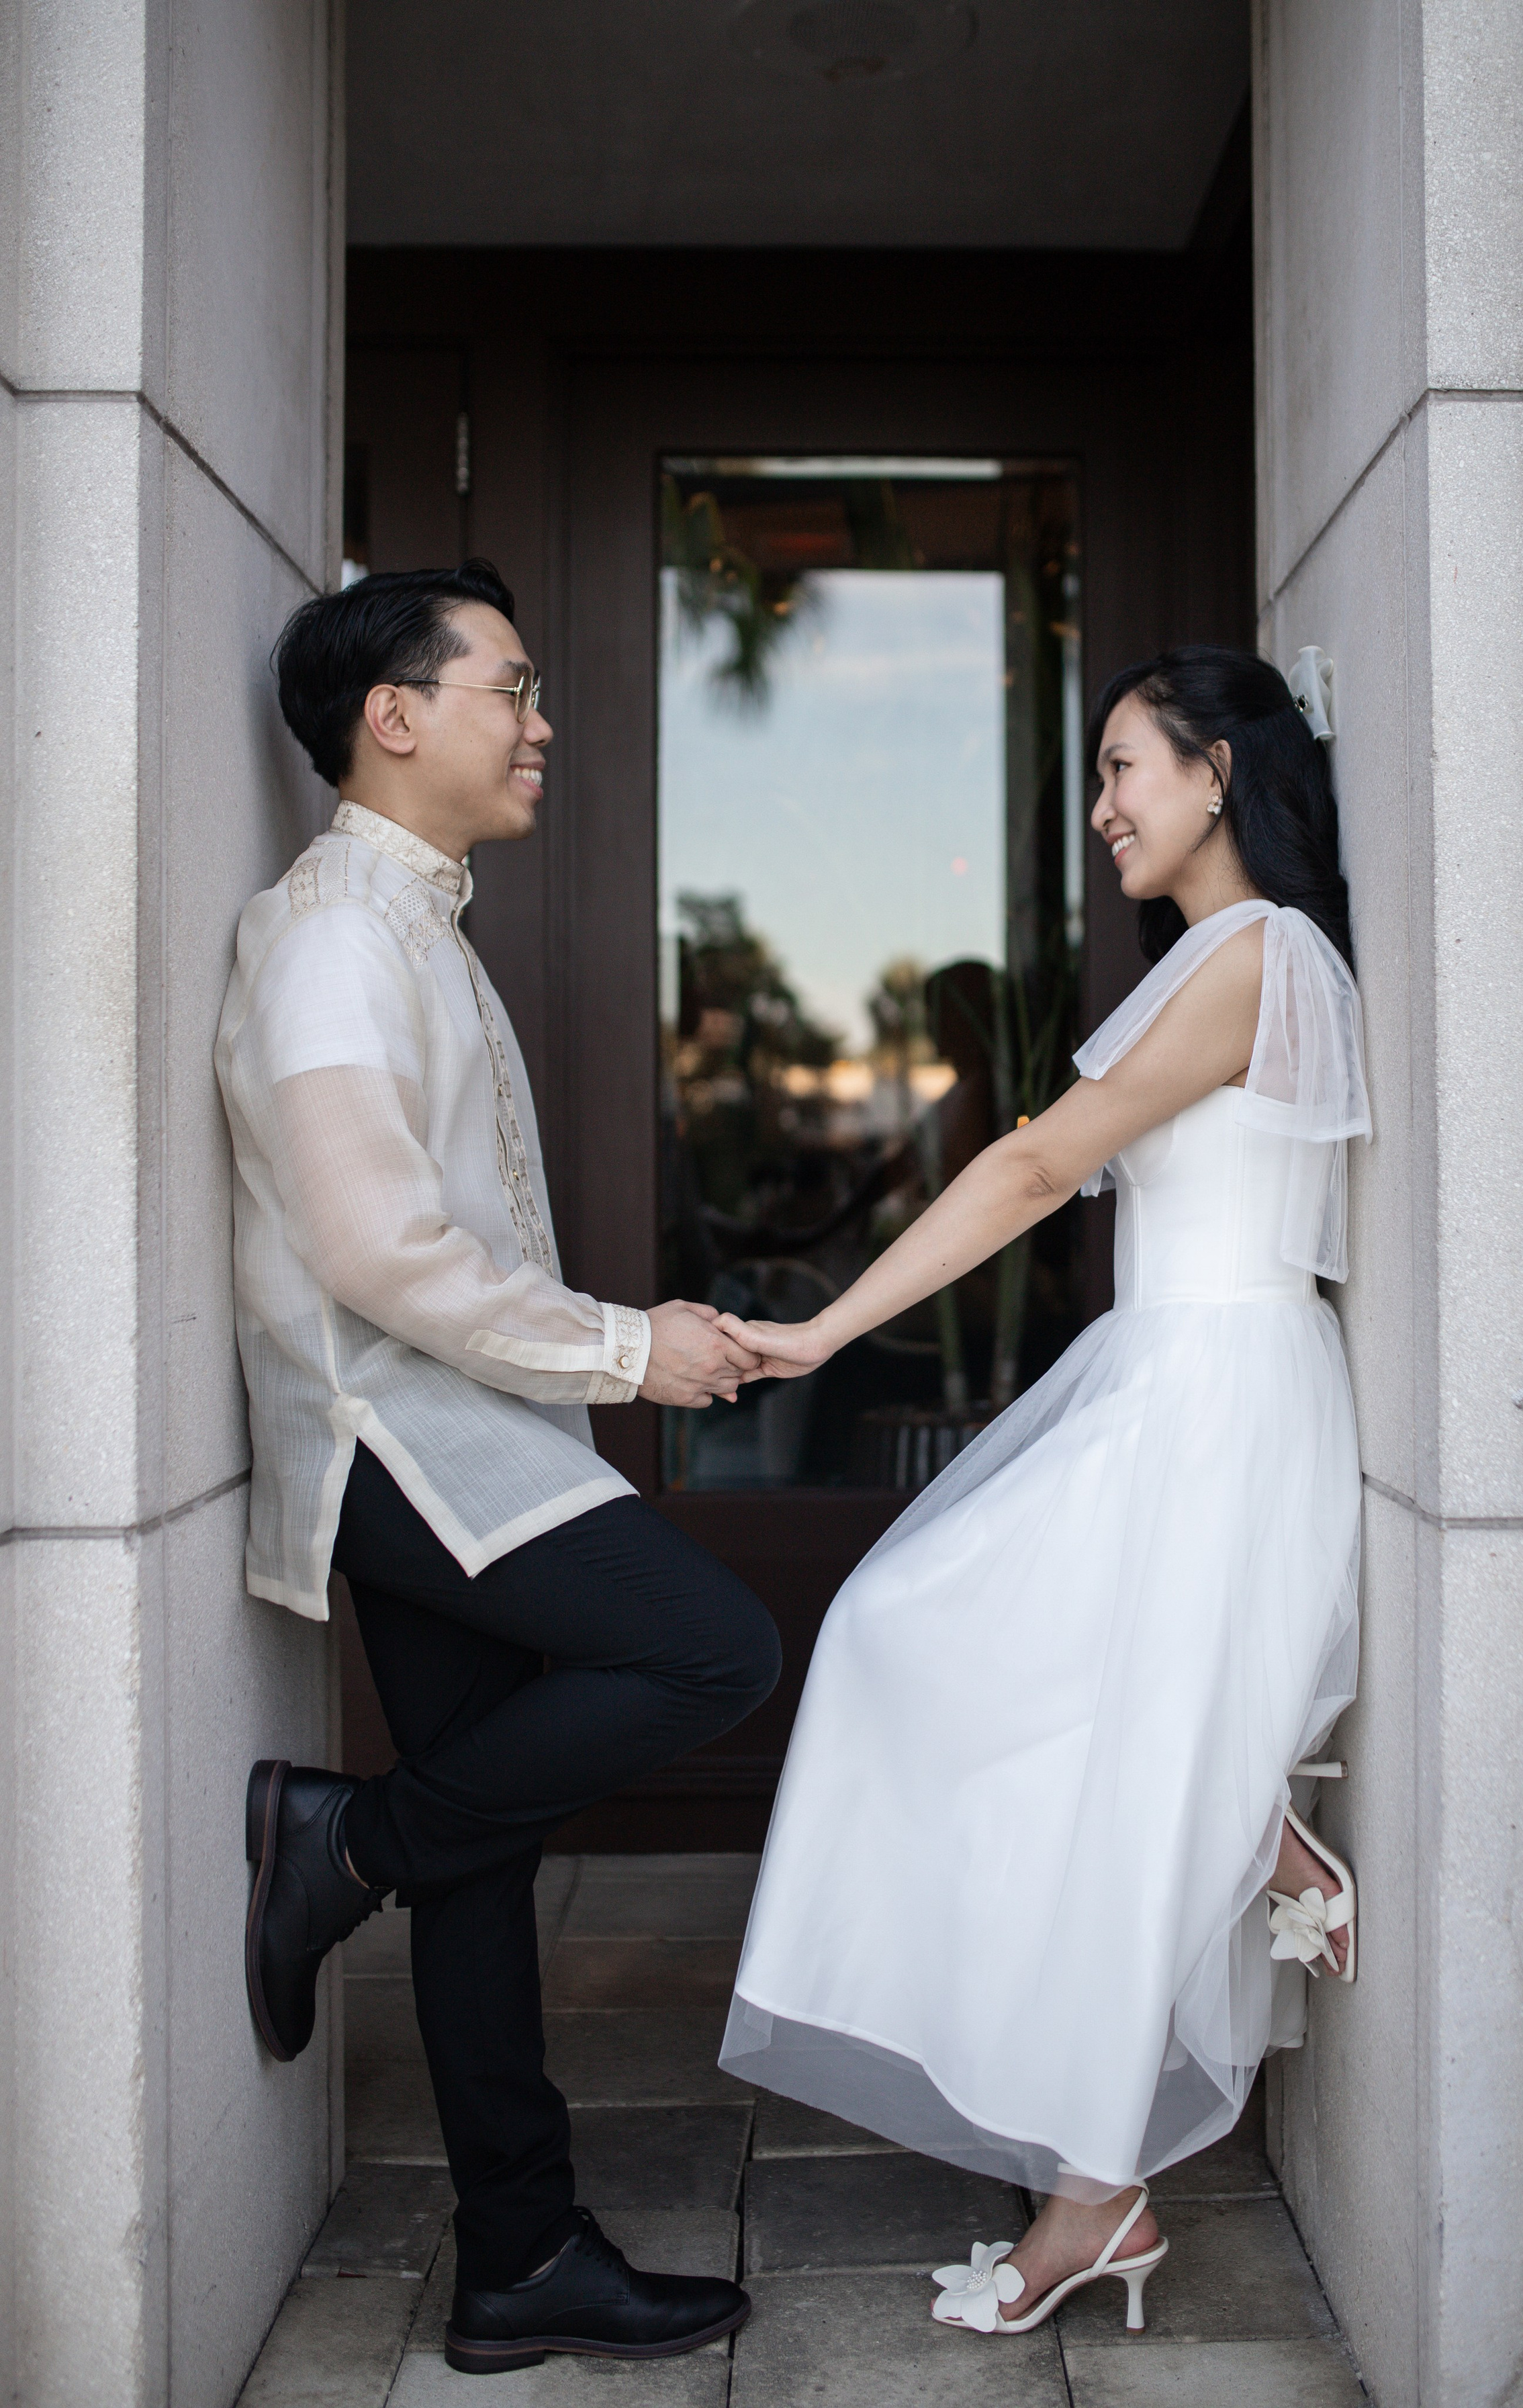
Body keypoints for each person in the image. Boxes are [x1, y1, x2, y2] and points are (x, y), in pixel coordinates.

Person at [714, 646, 1370, 2335]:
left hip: (1208, 1389)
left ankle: (1096, 2197)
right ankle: (1249, 1842)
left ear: (1217, 771)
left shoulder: (1256, 955)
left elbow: (1027, 1164)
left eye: (1121, 769)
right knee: (959, 1659)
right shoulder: (1224, 956)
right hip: (1172, 1376)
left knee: (990, 1680)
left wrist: (822, 1330)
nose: (1101, 811)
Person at [216, 559, 778, 2373]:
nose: (543, 726)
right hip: (397, 1433)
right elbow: (374, 1249)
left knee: (487, 1830)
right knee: (713, 1651)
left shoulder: (412, 922)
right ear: (396, 713)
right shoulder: (331, 935)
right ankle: (344, 1837)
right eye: (511, 691)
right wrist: (629, 1347)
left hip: (457, 1426)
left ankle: (520, 2256)